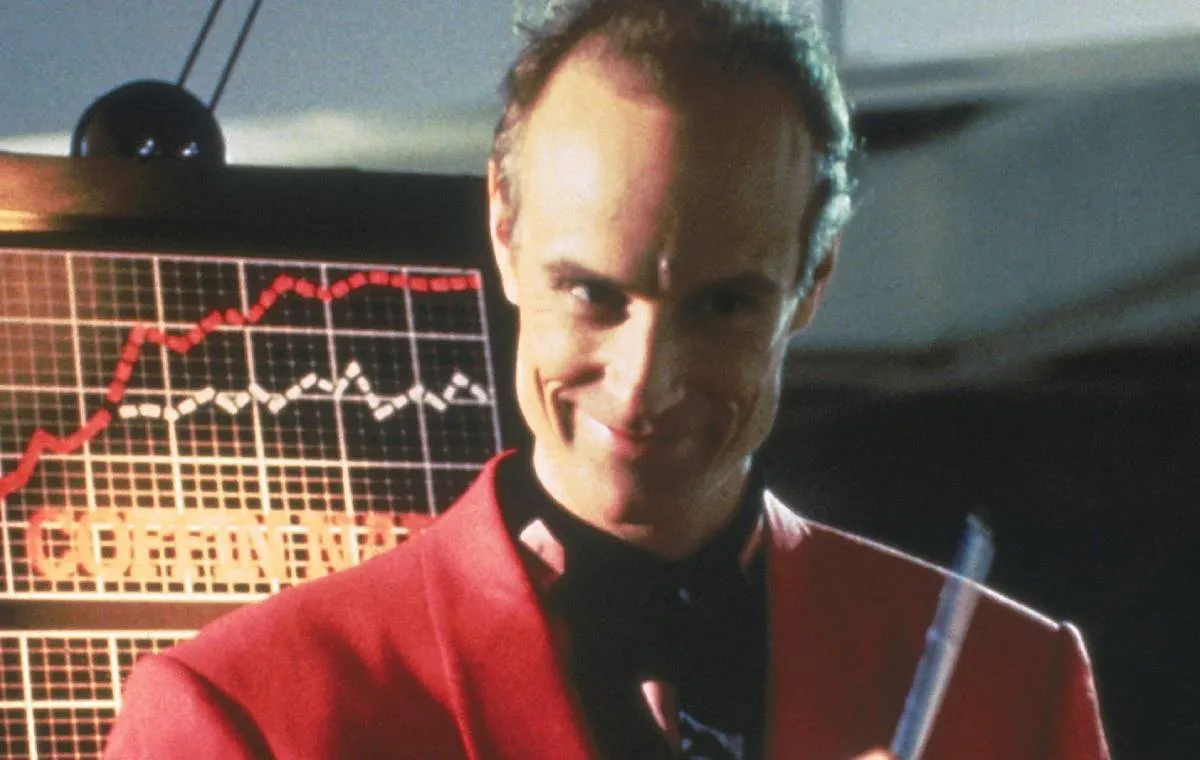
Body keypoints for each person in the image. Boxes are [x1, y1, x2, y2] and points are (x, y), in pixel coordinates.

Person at [104, 0, 1110, 758]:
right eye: (591, 293)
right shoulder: (243, 716)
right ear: (503, 230)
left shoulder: (1013, 689)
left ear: (814, 280)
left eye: (723, 305)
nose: (642, 387)